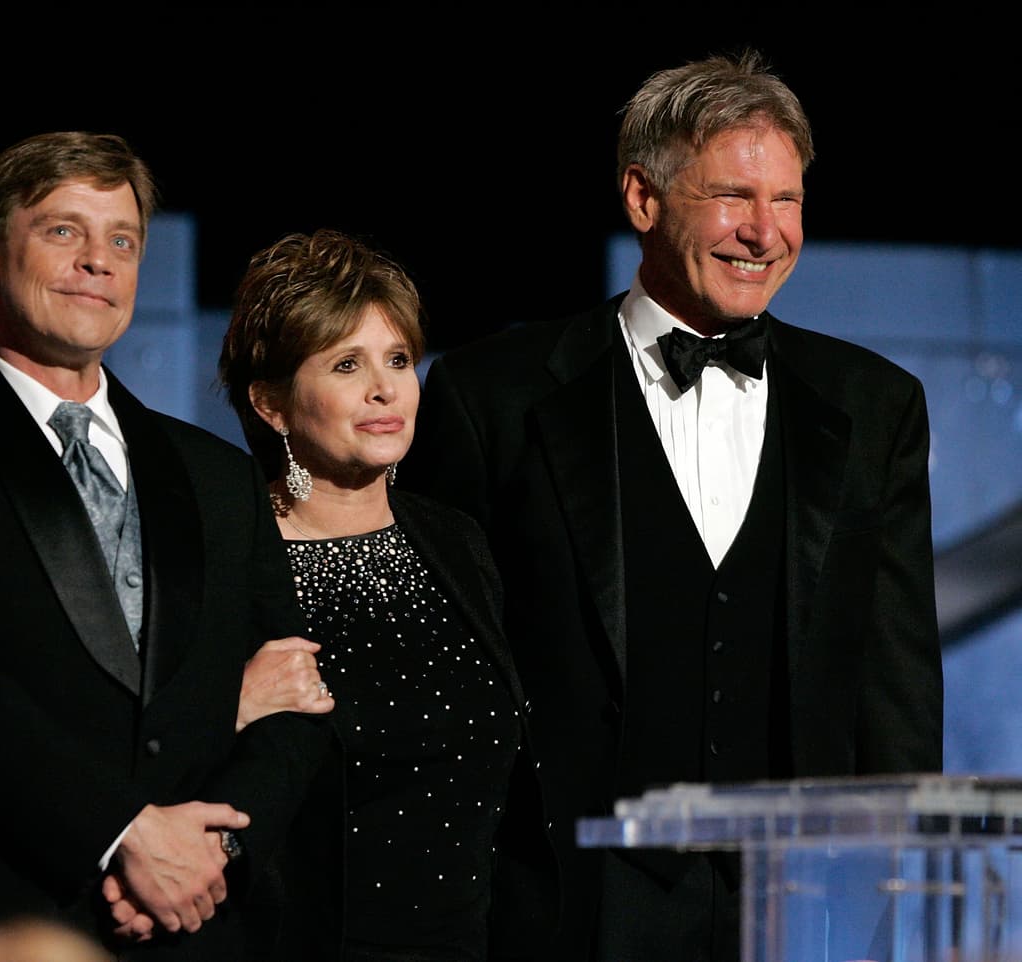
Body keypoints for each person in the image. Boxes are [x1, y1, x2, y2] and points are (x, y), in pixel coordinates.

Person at [402, 50, 944, 961]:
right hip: (563, 902)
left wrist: (888, 891)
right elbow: (438, 672)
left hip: (798, 905)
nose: (765, 233)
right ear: (643, 200)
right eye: (735, 196)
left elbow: (894, 686)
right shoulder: (491, 395)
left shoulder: (874, 405)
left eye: (789, 201)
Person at [0, 131, 333, 961]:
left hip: (202, 925)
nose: (99, 260)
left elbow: (298, 705)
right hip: (4, 917)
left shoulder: (217, 475)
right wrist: (125, 835)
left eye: (122, 241)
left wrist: (213, 856)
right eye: (63, 231)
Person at [215, 229, 558, 962]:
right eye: (347, 364)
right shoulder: (233, 556)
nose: (386, 388)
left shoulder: (456, 541)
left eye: (398, 360)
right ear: (271, 403)